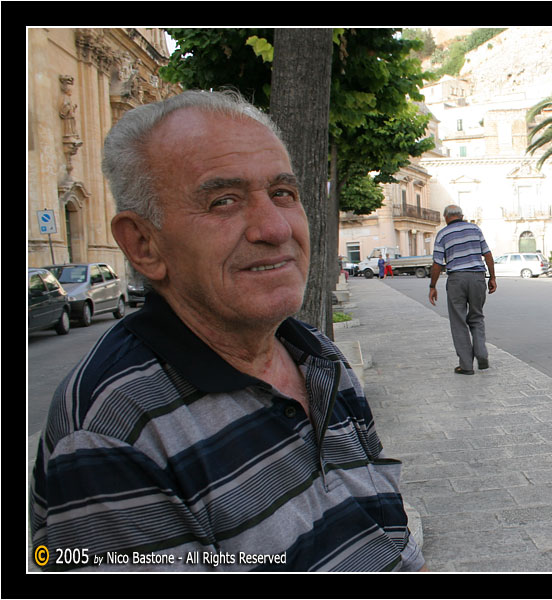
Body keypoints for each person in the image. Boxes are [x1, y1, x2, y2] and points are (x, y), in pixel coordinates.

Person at [29, 90, 425, 572]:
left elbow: (389, 538)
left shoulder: (315, 356)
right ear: (144, 244)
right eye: (224, 201)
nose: (275, 228)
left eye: (283, 193)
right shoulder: (115, 434)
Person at [428, 205, 496, 374]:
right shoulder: (475, 229)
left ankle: (466, 365)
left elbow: (437, 263)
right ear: (462, 215)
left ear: (446, 217)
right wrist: (492, 277)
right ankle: (482, 354)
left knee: (458, 321)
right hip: (477, 277)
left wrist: (432, 286)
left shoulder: (442, 234)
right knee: (477, 317)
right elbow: (487, 254)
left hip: (456, 279)